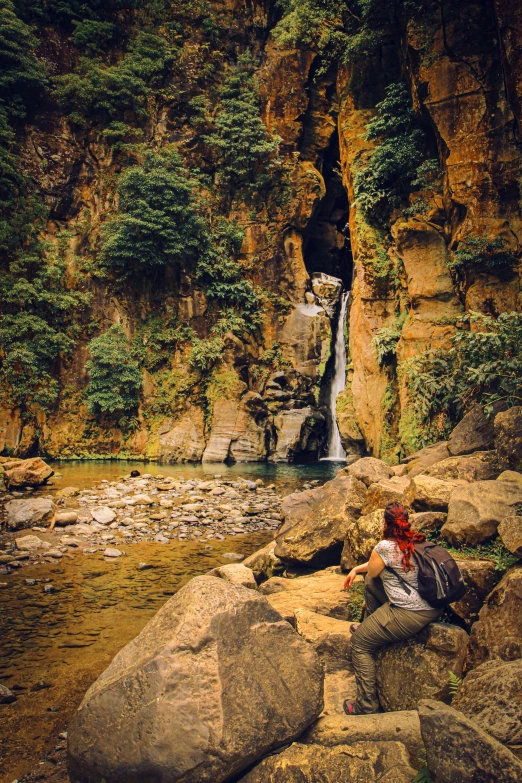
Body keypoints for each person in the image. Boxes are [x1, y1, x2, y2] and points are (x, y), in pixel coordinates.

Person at [342, 501, 441, 715]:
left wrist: (359, 570)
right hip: (431, 605)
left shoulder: (385, 547)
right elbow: (374, 572)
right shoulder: (415, 540)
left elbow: (376, 569)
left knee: (359, 645)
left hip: (410, 612)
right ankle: (369, 627)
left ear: (384, 523)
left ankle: (366, 705)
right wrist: (355, 570)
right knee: (370, 582)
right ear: (406, 521)